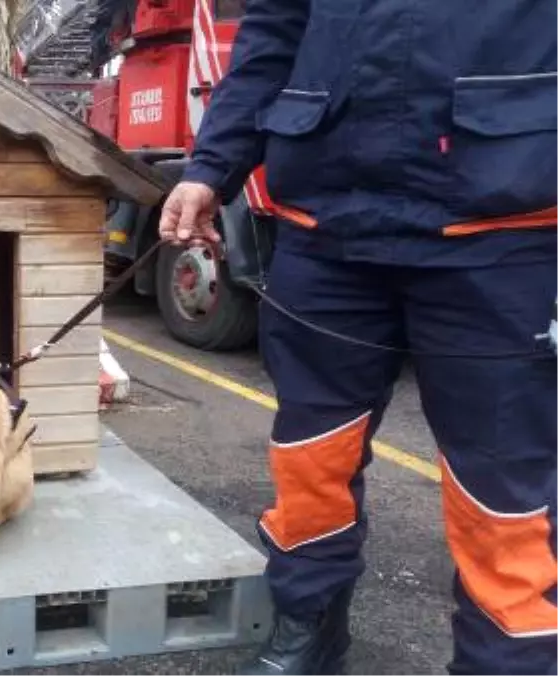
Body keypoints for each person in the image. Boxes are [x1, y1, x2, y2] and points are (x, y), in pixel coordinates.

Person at [158, 2, 558, 675]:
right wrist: (209, 167)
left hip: (501, 227)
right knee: (311, 458)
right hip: (327, 227)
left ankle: (509, 663)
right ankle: (308, 627)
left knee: (503, 486)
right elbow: (276, 33)